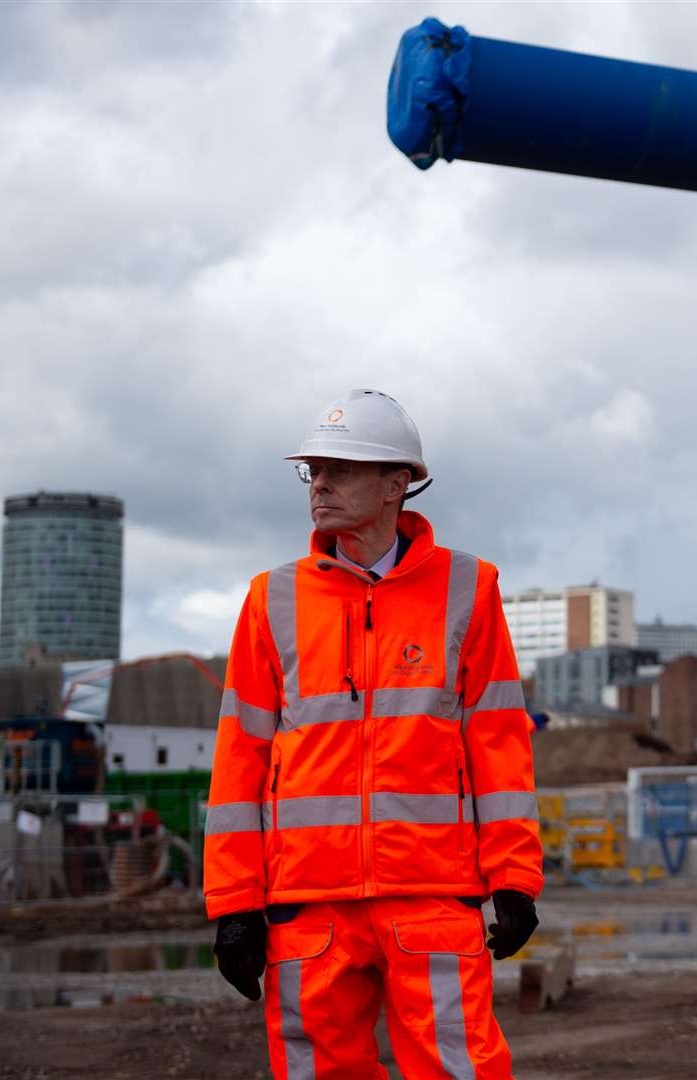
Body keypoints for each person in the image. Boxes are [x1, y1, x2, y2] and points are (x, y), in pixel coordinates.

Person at [204, 389, 541, 1079]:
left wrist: (515, 877)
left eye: (342, 469)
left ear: (398, 485)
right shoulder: (273, 599)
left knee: (458, 1070)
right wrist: (234, 904)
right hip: (309, 909)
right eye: (314, 470)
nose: (320, 484)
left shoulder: (467, 590)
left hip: (431, 897)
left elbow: (499, 744)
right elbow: (241, 759)